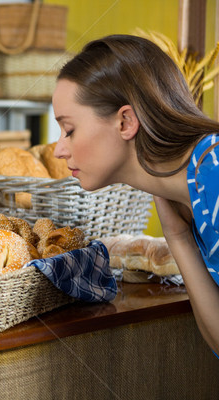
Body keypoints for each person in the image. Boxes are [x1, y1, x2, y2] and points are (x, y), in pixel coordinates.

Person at [52, 34, 219, 355]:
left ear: (125, 121)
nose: (60, 149)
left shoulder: (214, 172)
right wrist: (178, 236)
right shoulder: (188, 194)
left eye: (69, 130)